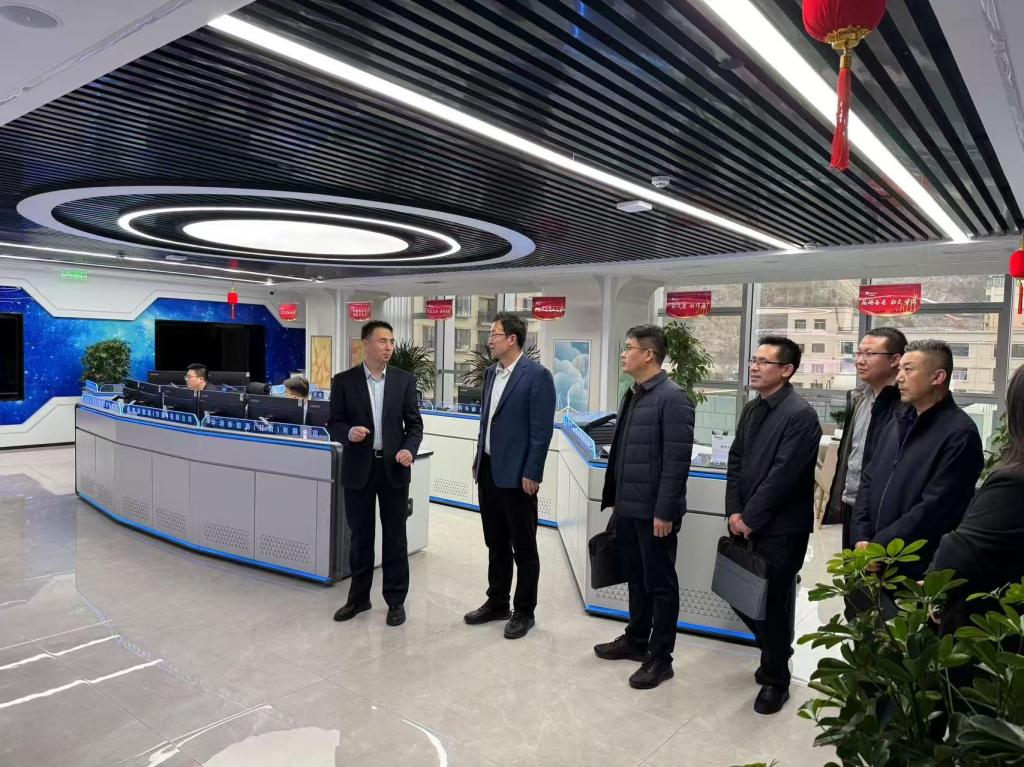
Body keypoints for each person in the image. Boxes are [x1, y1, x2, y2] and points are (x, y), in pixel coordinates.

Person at [592, 325, 694, 690]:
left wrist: (665, 511)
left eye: (629, 347)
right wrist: (616, 500)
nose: (624, 353)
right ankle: (636, 640)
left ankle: (660, 658)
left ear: (648, 354)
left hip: (655, 514)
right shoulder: (634, 393)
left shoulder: (673, 398)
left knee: (660, 585)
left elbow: (676, 462)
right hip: (628, 508)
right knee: (636, 578)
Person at [726, 336, 822, 715]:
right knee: (741, 595)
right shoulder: (753, 408)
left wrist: (751, 517)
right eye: (754, 360)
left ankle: (775, 680)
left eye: (764, 362)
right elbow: (736, 460)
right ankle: (775, 652)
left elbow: (783, 476)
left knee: (773, 603)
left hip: (782, 529)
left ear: (786, 370)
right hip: (745, 521)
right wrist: (735, 511)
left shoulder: (801, 415)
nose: (755, 367)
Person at [851, 340, 984, 581]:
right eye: (900, 369)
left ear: (938, 377)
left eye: (908, 369)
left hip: (915, 568)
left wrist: (881, 546)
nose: (899, 377)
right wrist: (860, 534)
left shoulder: (960, 434)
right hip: (871, 555)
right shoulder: (898, 421)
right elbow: (868, 479)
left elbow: (935, 507)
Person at [464, 312, 556, 640]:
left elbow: (541, 431)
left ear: (512, 339)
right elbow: (486, 421)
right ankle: (497, 602)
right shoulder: (491, 373)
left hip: (518, 476)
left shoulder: (537, 376)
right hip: (489, 470)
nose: (490, 340)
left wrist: (533, 471)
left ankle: (524, 611)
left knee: (524, 547)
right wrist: (478, 458)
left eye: (495, 334)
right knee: (496, 542)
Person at [326, 320, 423, 627]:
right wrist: (348, 432)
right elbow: (333, 423)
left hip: (393, 469)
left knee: (395, 537)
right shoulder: (344, 381)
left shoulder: (404, 380)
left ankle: (395, 602)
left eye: (391, 341)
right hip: (359, 469)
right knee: (360, 537)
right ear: (365, 344)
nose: (389, 347)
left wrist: (409, 449)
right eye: (382, 341)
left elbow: (414, 425)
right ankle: (358, 599)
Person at [930, 364, 1024, 636]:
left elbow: (958, 553)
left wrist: (935, 590)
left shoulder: (1013, 483)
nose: (901, 376)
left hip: (989, 632)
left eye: (909, 368)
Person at [824, 327, 907, 550]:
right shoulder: (860, 397)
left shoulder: (905, 406)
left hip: (881, 510)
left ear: (895, 360)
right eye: (858, 353)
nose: (860, 360)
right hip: (851, 503)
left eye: (869, 354)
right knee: (851, 569)